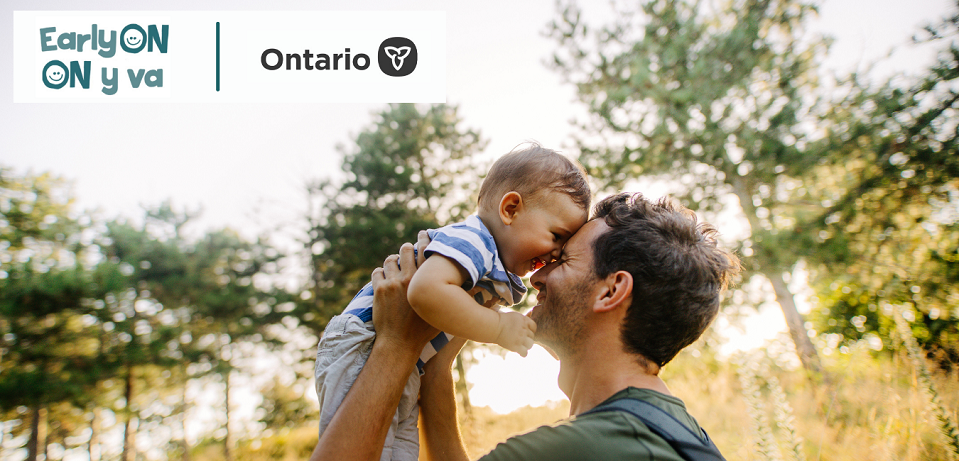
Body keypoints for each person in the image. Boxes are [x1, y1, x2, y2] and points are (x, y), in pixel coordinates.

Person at [310, 192, 741, 461]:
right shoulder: (677, 433)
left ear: (611, 292)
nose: (535, 276)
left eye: (563, 259)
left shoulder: (576, 450)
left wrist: (395, 346)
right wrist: (435, 363)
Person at [313, 144, 591, 461]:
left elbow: (456, 321)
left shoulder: (490, 266)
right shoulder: (473, 240)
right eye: (556, 235)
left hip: (405, 363)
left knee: (400, 450)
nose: (556, 253)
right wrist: (499, 328)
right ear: (510, 209)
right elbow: (425, 292)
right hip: (363, 341)